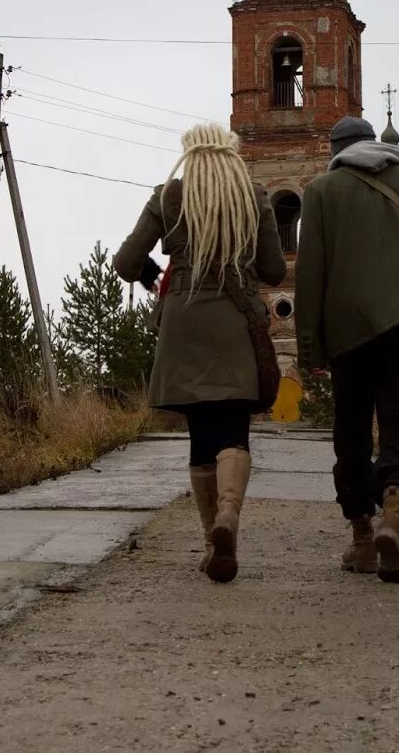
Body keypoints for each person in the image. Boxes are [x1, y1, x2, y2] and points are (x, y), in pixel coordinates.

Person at [114, 122, 286, 583]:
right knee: (234, 429)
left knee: (200, 434)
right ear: (231, 157)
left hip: (183, 321)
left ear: (190, 156)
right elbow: (272, 270)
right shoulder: (253, 196)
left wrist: (158, 278)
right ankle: (229, 516)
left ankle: (214, 541)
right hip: (236, 322)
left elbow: (125, 262)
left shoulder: (168, 196)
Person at [294, 115, 399, 584]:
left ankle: (363, 540)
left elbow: (310, 276)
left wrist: (310, 351)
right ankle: (395, 514)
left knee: (351, 432)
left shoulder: (322, 192)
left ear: (336, 151)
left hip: (346, 334)